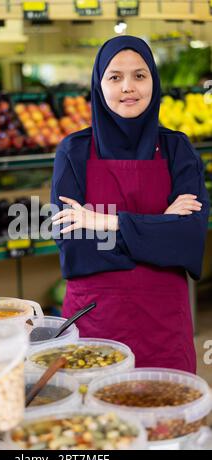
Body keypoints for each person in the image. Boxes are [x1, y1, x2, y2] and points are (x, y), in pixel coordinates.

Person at [50, 36, 210, 373]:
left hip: (164, 326)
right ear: (99, 83)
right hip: (96, 322)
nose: (128, 87)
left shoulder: (178, 150)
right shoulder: (73, 152)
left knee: (168, 421)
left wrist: (107, 223)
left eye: (140, 75)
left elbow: (189, 239)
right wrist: (159, 227)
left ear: (154, 80)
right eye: (115, 77)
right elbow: (76, 249)